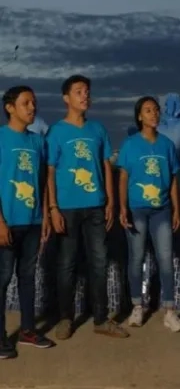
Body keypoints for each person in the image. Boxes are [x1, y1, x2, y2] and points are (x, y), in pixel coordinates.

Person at [46, 75, 128, 339]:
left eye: (87, 91)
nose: (85, 96)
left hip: (95, 206)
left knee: (99, 263)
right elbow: (49, 171)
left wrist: (111, 201)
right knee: (67, 264)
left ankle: (101, 319)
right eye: (79, 91)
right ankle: (66, 318)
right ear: (66, 98)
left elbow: (106, 166)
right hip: (67, 208)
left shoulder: (97, 130)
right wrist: (53, 207)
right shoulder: (57, 131)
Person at [117, 96, 180, 332]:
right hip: (137, 208)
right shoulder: (130, 144)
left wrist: (176, 208)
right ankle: (137, 305)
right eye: (148, 110)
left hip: (162, 210)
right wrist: (122, 207)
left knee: (165, 259)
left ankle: (169, 311)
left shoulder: (167, 145)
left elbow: (175, 177)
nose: (154, 114)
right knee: (136, 258)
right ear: (139, 116)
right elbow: (124, 177)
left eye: (156, 110)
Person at [0, 86, 55, 359]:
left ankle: (28, 330)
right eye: (26, 103)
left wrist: (44, 215)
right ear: (10, 107)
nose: (32, 107)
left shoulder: (37, 142)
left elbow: (42, 182)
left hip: (33, 221)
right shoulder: (0, 138)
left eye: (34, 102)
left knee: (28, 278)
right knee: (1, 279)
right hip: (7, 221)